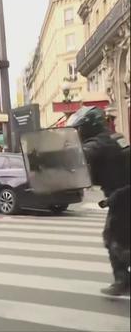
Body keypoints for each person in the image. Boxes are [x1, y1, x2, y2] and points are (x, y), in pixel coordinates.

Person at [67, 106, 130, 296]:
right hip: (122, 195)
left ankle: (122, 280)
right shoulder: (114, 137)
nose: (79, 133)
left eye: (80, 128)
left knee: (113, 240)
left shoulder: (98, 143)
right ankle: (122, 279)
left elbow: (78, 156)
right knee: (118, 238)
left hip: (121, 197)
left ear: (89, 127)